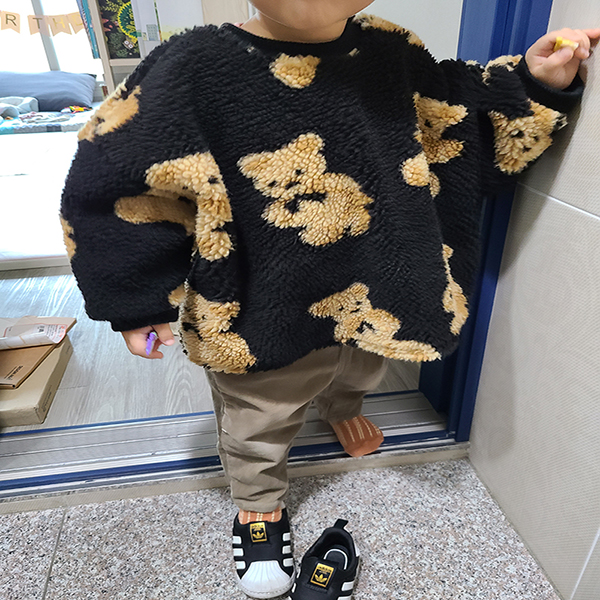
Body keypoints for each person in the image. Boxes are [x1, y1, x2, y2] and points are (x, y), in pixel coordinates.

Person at [60, 1, 599, 597]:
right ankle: (259, 504)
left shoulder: (391, 50)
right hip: (259, 298)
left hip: (375, 282)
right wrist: (136, 299)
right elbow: (118, 174)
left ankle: (342, 407)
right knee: (259, 410)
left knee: (361, 365)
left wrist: (531, 83)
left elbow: (456, 119)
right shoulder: (191, 65)